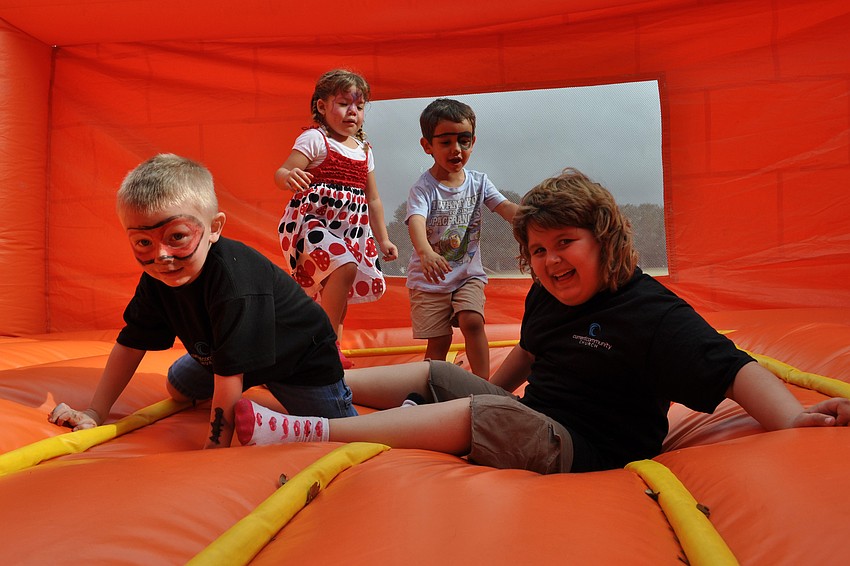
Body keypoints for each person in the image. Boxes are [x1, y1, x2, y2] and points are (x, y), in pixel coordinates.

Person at [233, 167, 850, 473]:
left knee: (482, 410)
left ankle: (307, 430)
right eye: (537, 249)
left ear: (604, 240)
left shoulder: (653, 314)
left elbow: (736, 370)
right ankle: (298, 387)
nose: (550, 261)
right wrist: (475, 395)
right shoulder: (548, 297)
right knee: (445, 376)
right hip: (536, 418)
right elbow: (527, 357)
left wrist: (793, 419)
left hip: (583, 448)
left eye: (565, 242)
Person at [48, 153, 357, 449]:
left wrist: (215, 448)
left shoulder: (235, 284)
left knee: (339, 429)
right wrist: (94, 413)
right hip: (229, 353)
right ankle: (245, 367)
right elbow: (130, 345)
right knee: (178, 385)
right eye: (143, 242)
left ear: (214, 228)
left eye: (177, 236)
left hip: (297, 360)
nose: (161, 256)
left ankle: (380, 390)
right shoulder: (158, 279)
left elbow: (228, 378)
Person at [275, 69, 398, 368]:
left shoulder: (365, 151)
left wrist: (383, 238)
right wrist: (289, 176)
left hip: (351, 229)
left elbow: (374, 199)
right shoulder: (315, 140)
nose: (352, 112)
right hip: (314, 225)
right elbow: (281, 172)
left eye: (359, 106)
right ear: (321, 106)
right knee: (343, 267)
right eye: (343, 103)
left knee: (338, 293)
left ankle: (332, 347)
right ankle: (326, 343)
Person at [405, 98, 518, 378]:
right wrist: (426, 252)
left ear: (473, 141)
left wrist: (533, 218)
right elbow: (416, 221)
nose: (456, 149)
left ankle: (483, 385)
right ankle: (432, 389)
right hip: (430, 278)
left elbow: (504, 208)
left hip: (467, 274)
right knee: (440, 340)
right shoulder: (423, 189)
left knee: (472, 321)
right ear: (427, 146)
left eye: (463, 141)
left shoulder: (478, 182)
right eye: (445, 142)